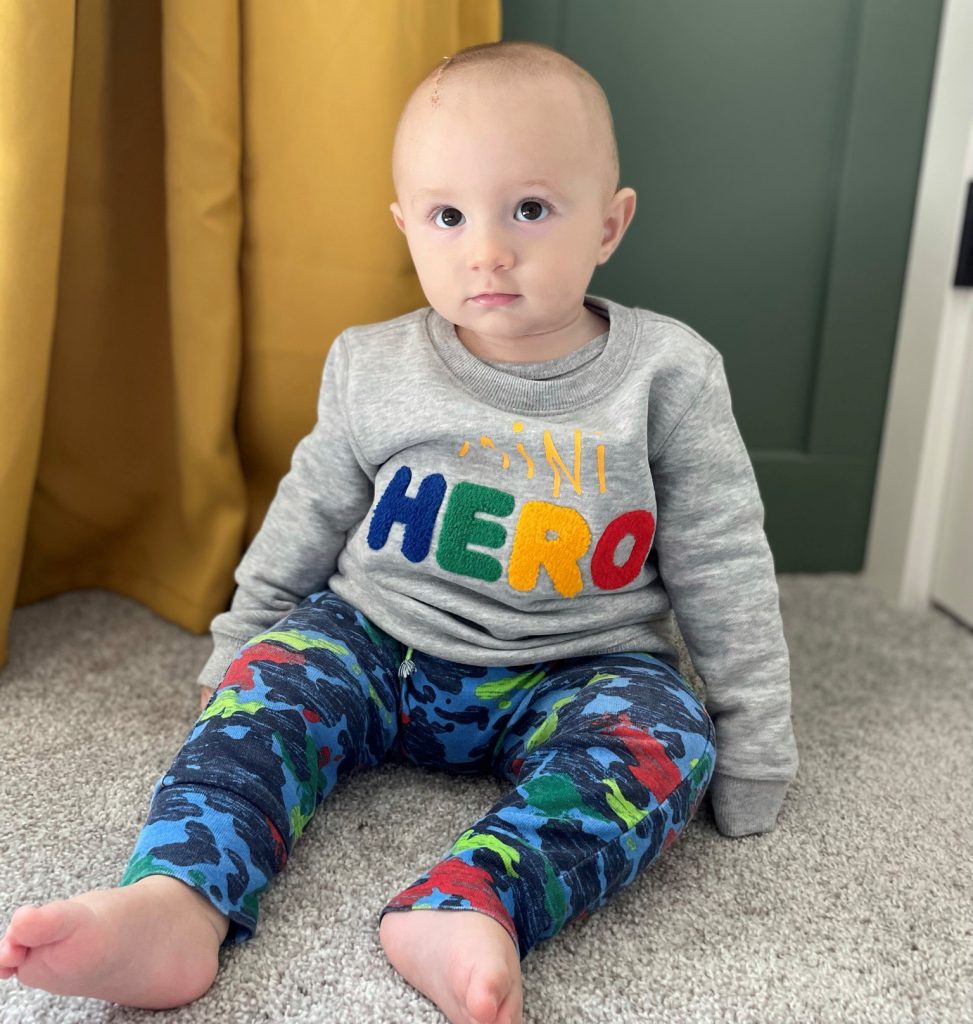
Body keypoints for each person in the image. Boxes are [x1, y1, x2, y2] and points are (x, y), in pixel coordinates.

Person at [0, 40, 798, 1024]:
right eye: (448, 216)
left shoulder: (666, 375)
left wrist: (754, 741)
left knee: (663, 738)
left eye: (531, 210)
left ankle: (472, 904)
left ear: (609, 223)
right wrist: (244, 642)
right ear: (405, 227)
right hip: (381, 647)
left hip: (576, 664)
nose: (487, 250)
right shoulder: (374, 366)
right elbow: (309, 510)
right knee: (278, 682)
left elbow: (724, 560)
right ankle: (178, 898)